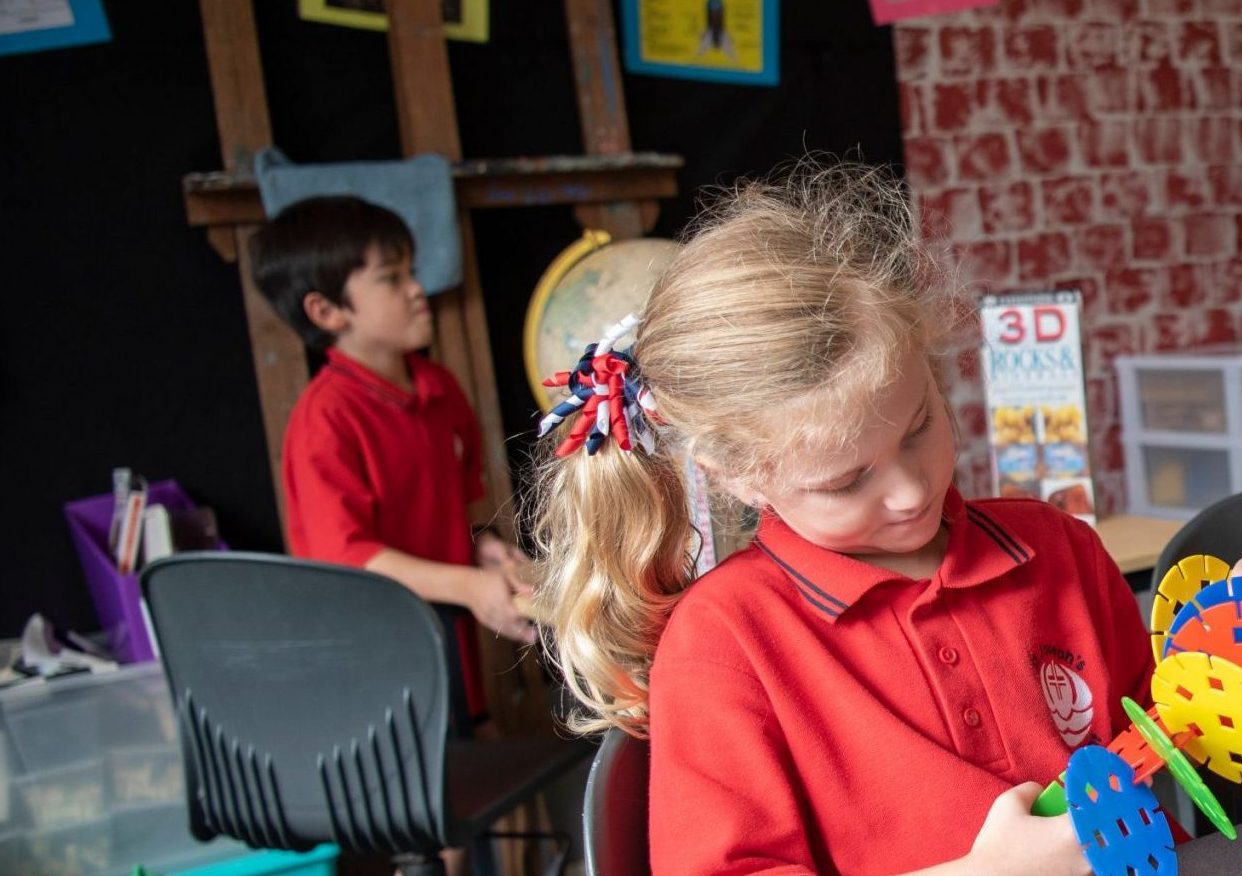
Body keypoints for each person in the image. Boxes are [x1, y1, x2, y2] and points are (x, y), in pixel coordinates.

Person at [532, 163, 1160, 874]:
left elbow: (1160, 746)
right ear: (736, 474)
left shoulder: (1058, 548)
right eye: (846, 480)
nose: (908, 491)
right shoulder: (727, 642)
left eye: (920, 425)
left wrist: (1231, 686)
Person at [259, 195, 533, 736]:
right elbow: (350, 558)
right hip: (372, 676)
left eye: (411, 271)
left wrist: (482, 548)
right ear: (326, 312)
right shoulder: (326, 419)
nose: (416, 289)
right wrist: (471, 588)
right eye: (390, 278)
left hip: (451, 659)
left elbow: (452, 511)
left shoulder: (441, 390)